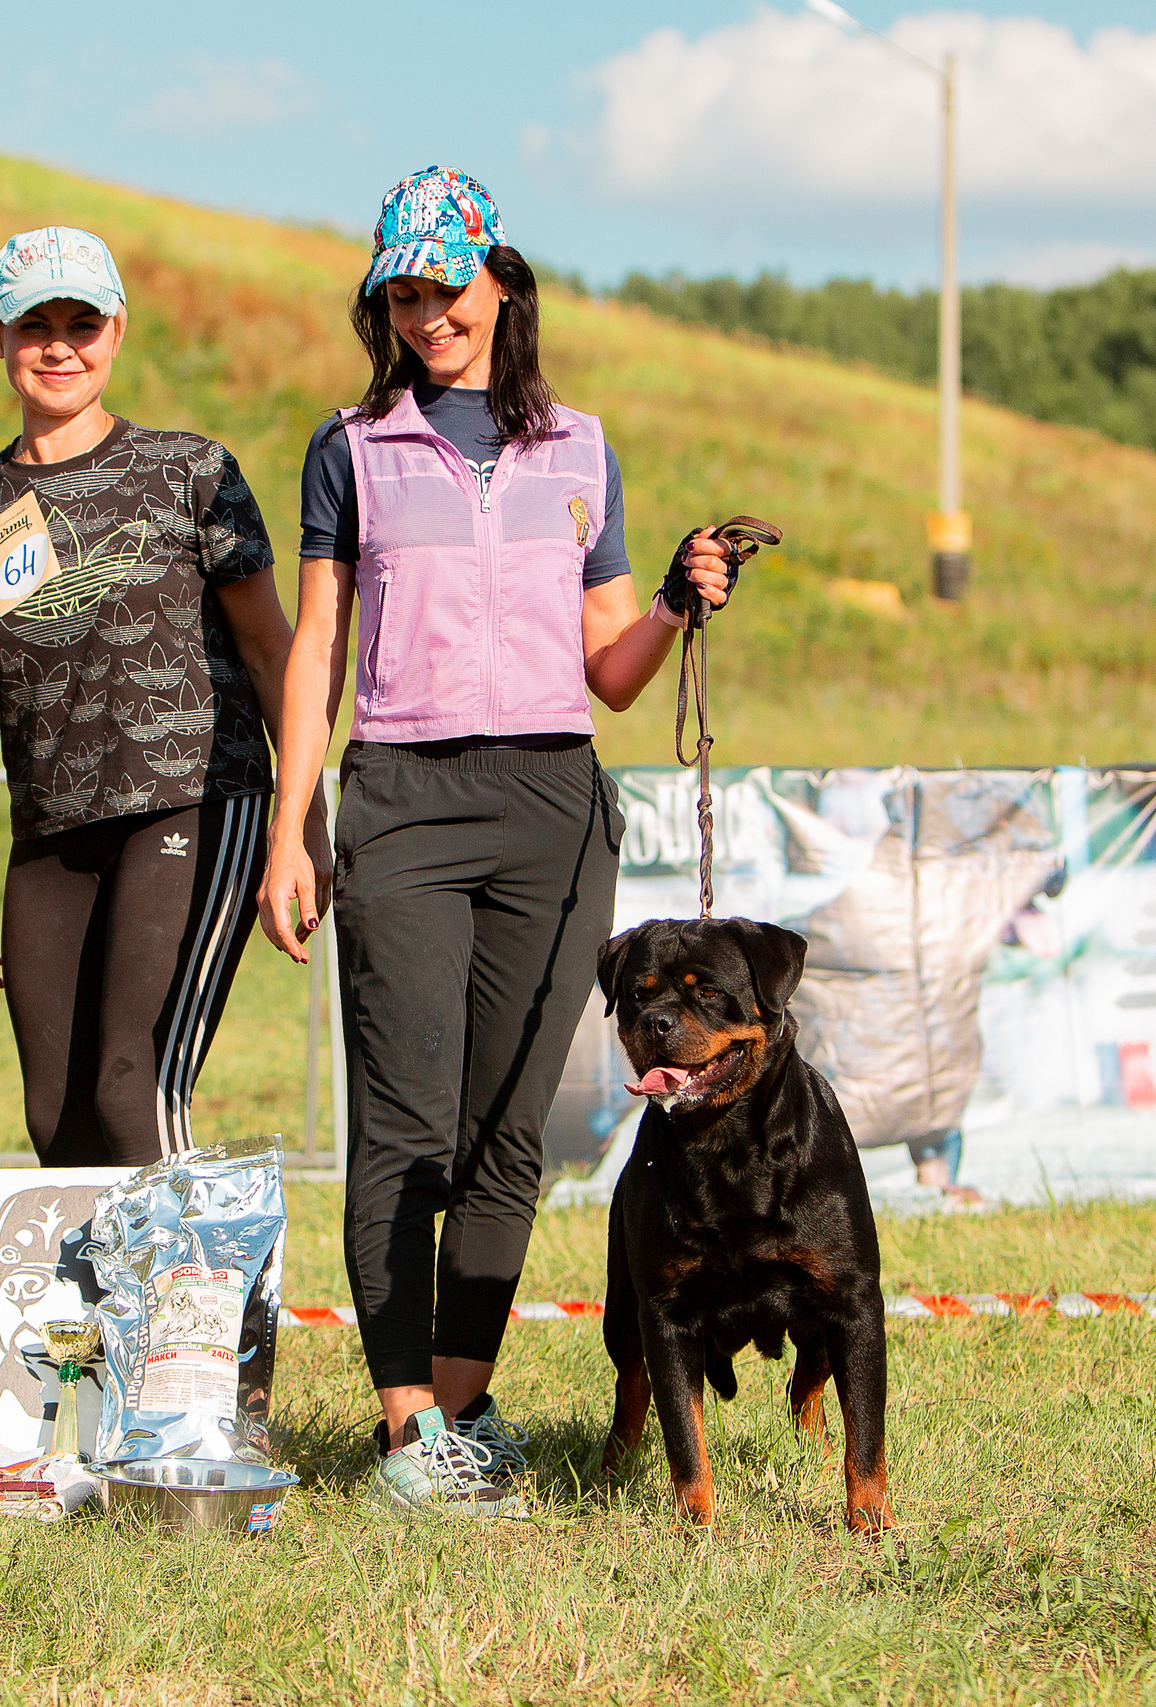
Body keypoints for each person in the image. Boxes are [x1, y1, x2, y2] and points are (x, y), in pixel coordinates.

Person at [255, 167, 740, 1518]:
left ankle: (461, 1407)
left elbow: (614, 673)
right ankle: (407, 1433)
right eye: (402, 292)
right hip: (402, 798)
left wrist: (672, 601)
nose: (427, 313)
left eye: (446, 286)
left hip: (551, 804)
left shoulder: (581, 447)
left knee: (506, 1131)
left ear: (501, 282)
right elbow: (317, 653)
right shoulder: (350, 447)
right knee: (405, 1128)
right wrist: (295, 823)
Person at [0, 227, 329, 1165]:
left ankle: (187, 1313)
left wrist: (303, 822)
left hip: (196, 806)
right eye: (34, 323)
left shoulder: (190, 470)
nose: (58, 345)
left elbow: (273, 647)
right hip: (51, 833)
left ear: (116, 332)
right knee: (59, 1116)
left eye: (82, 322)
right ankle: (112, 1318)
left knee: (134, 1084)